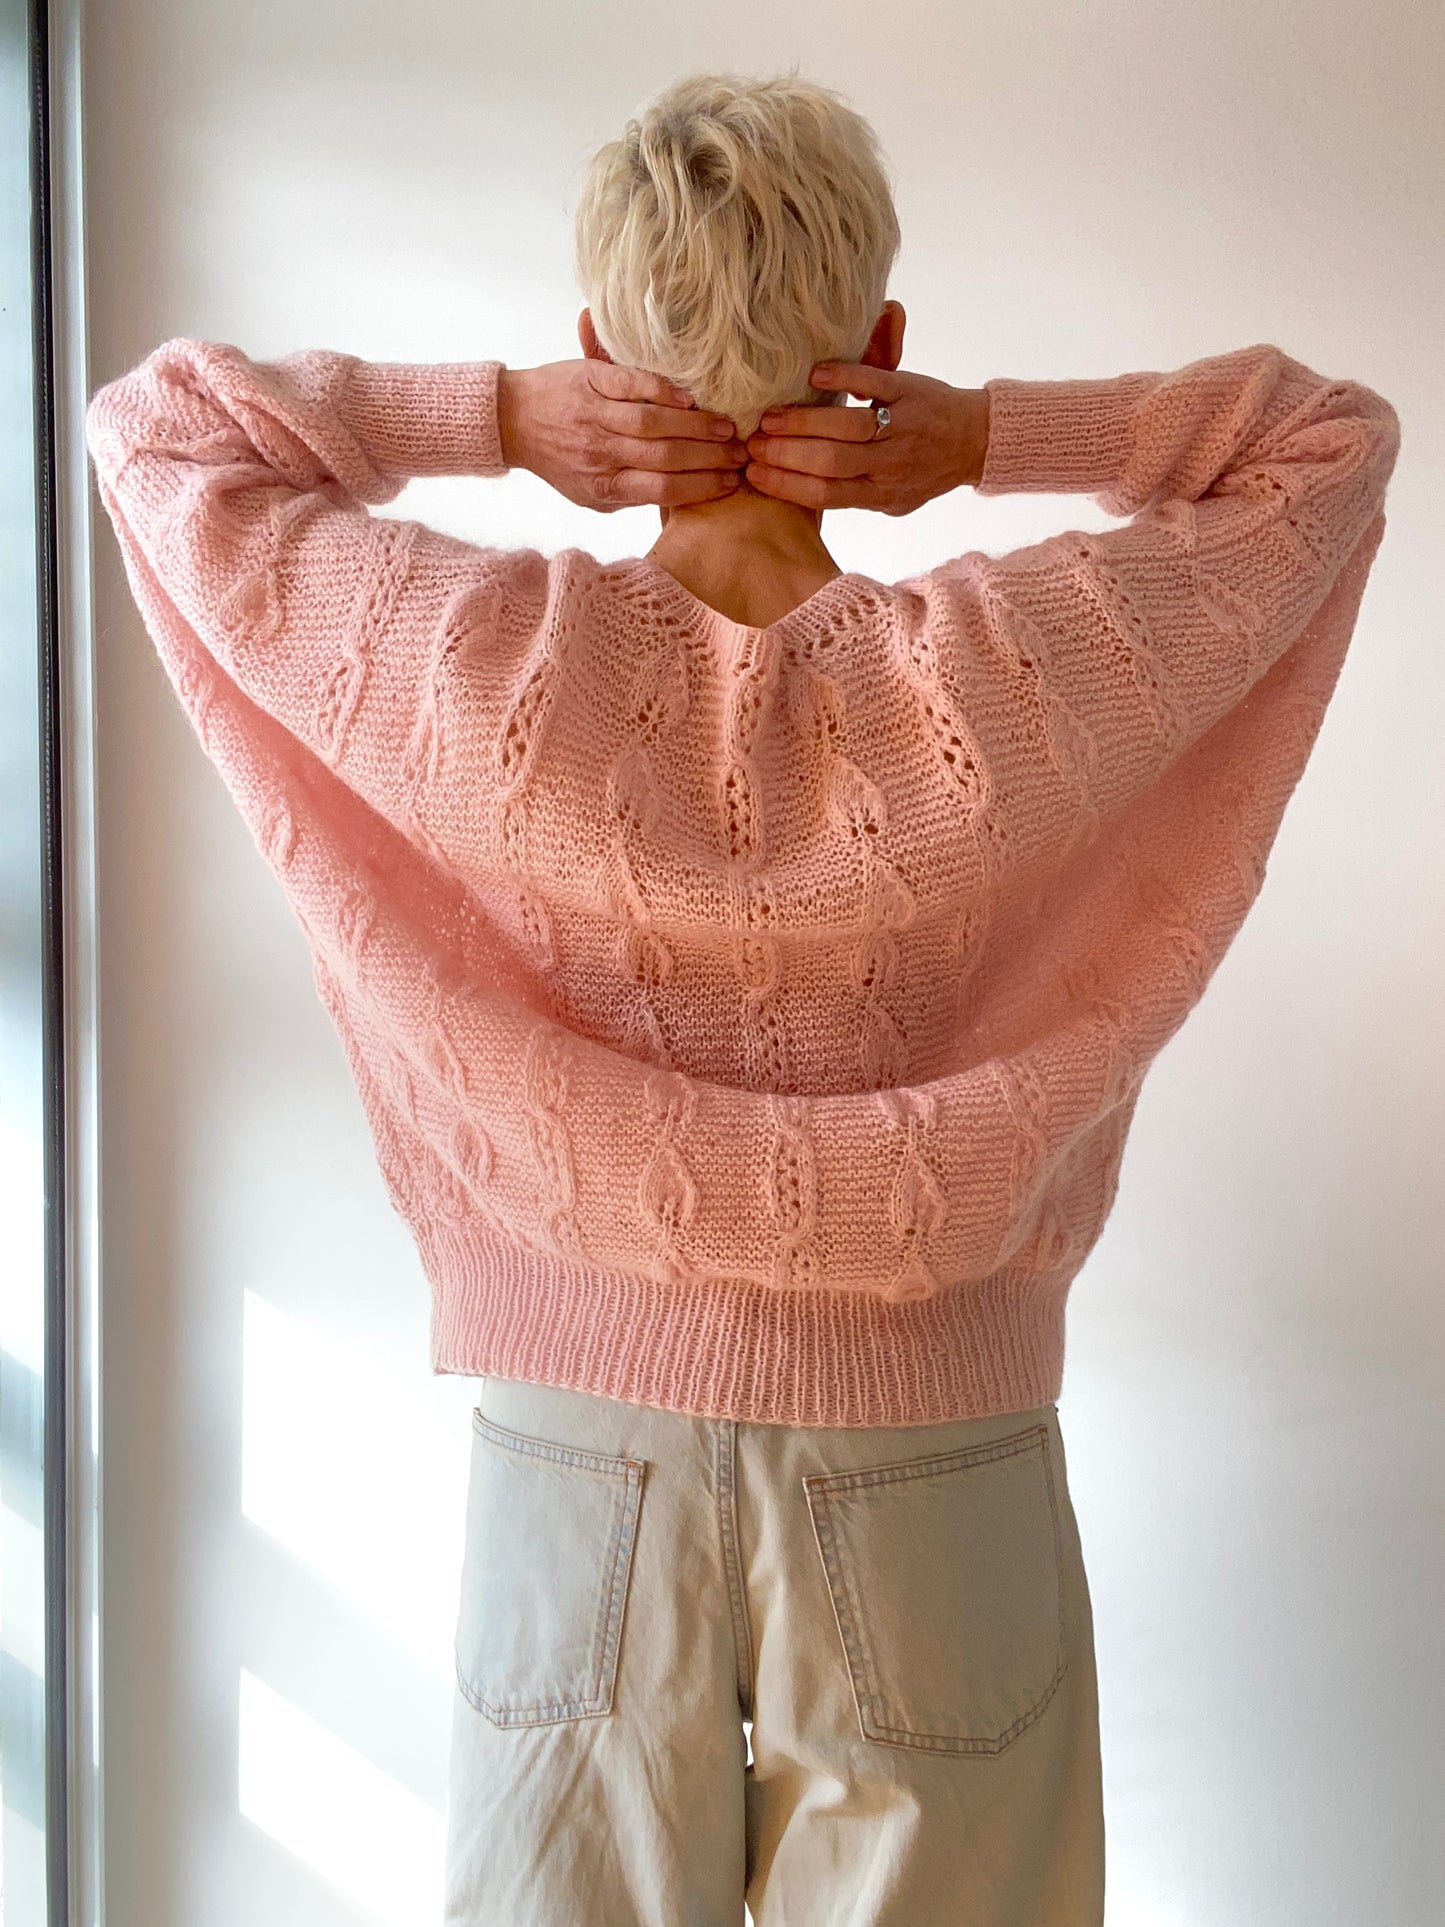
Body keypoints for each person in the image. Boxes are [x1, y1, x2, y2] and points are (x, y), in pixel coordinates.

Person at [85, 68, 1400, 1927]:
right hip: (930, 1448)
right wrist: (977, 438)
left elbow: (155, 436)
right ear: (873, 336)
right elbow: (1322, 444)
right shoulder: (1001, 670)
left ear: (599, 340)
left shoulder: (486, 659)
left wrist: (498, 421)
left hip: (580, 1445)